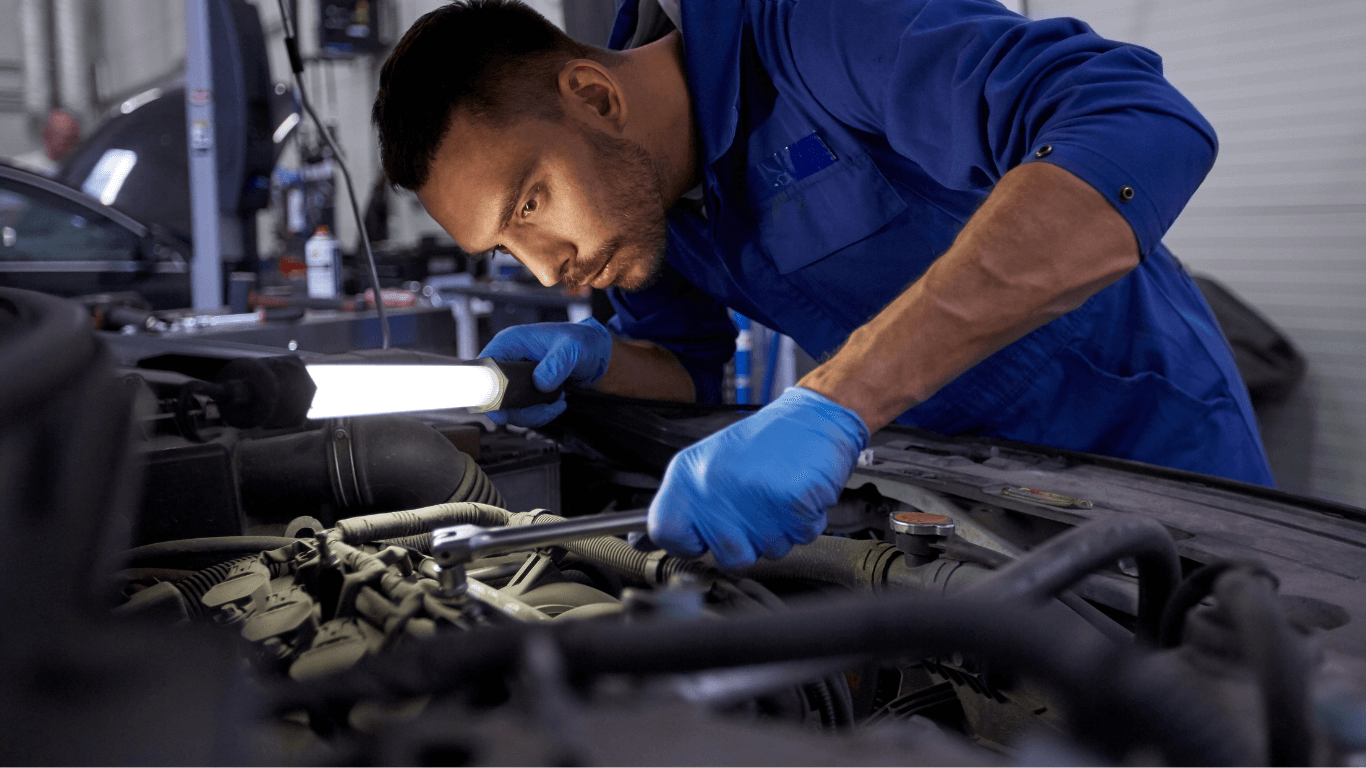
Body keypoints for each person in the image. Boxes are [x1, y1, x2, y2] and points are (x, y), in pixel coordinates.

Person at [371, 0, 1274, 570]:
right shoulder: (643, 209)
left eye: (530, 202)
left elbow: (1137, 123)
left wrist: (836, 401)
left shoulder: (816, 27)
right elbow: (688, 373)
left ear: (596, 97)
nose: (547, 266)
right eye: (506, 246)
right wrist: (594, 360)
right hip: (962, 503)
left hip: (1160, 463)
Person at [11, 109, 82, 176]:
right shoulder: (21, 167)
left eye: (73, 137)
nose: (69, 143)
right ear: (46, 135)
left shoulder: (82, 169)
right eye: (63, 137)